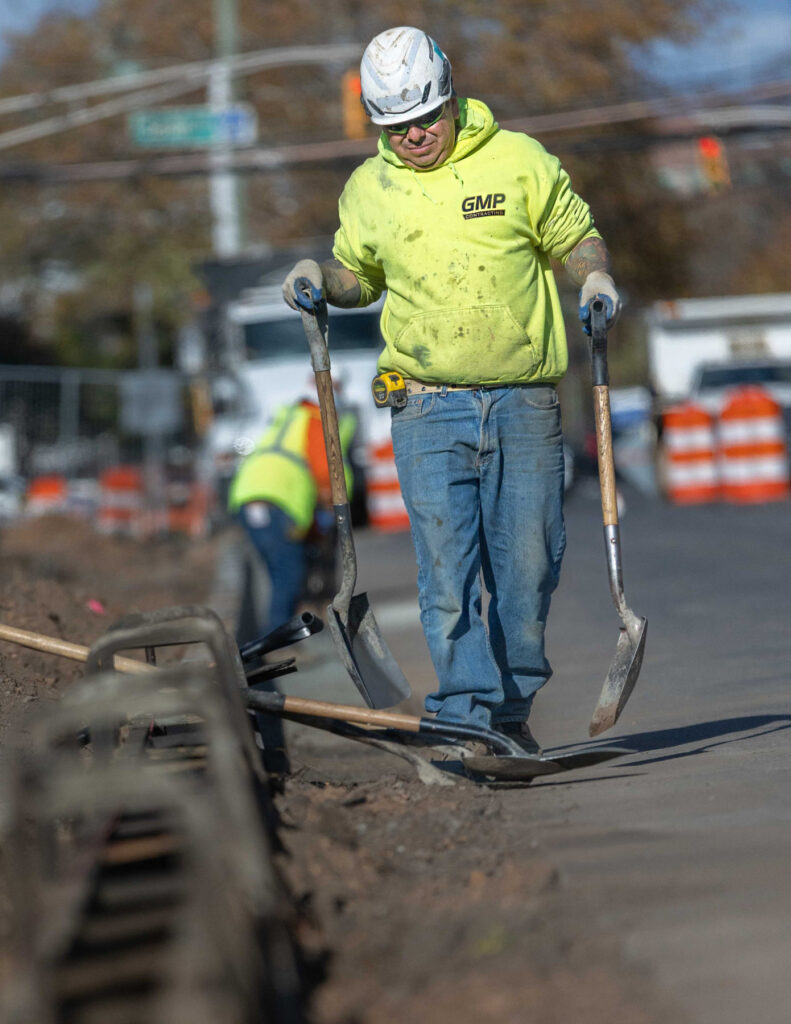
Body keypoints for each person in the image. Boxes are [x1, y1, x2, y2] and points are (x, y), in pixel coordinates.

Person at [281, 26, 619, 755]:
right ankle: (465, 712)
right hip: (426, 404)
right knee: (447, 572)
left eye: (424, 119)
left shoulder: (519, 161)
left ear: (451, 97)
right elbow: (357, 276)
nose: (413, 137)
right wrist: (320, 281)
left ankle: (508, 709)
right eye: (395, 127)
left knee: (529, 568)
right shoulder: (369, 189)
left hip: (524, 401)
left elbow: (573, 235)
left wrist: (592, 274)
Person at [228, 390, 355, 638]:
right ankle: (279, 642)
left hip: (248, 496)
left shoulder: (288, 418)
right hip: (275, 500)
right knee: (288, 572)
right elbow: (325, 472)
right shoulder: (315, 421)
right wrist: (334, 504)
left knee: (279, 572)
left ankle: (278, 637)